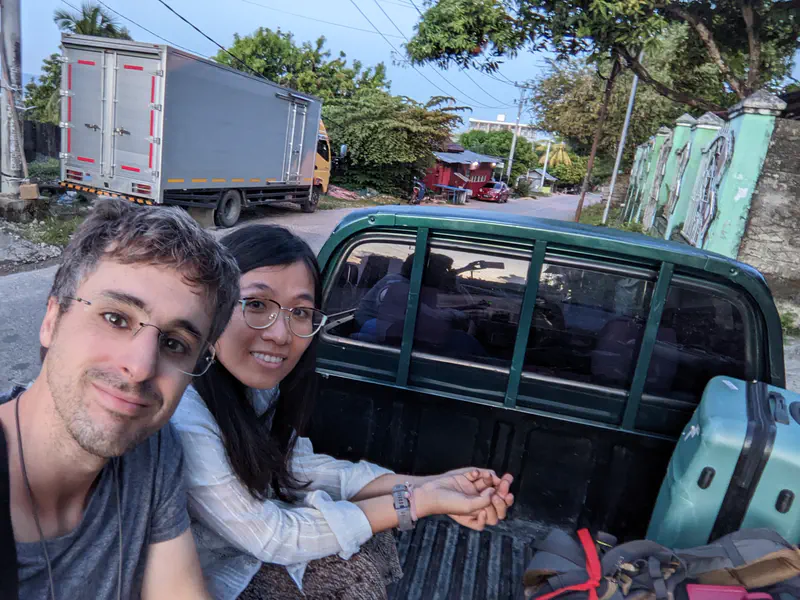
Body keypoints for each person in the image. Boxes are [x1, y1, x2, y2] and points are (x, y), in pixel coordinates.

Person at [171, 224, 515, 600]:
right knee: (354, 573)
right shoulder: (183, 411)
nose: (281, 334)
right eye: (256, 305)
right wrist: (419, 502)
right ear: (211, 304)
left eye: (300, 312)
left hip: (245, 554)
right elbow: (271, 535)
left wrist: (432, 484)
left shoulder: (256, 387)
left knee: (370, 537)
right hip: (214, 575)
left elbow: (298, 468)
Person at [0, 199, 240, 599]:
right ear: (51, 321)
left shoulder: (151, 449)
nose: (142, 366)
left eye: (174, 343)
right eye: (116, 318)